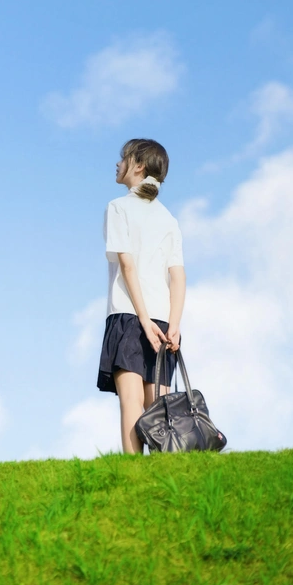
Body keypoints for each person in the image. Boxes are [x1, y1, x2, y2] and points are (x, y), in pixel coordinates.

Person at [97, 138, 186, 455]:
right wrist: (174, 326)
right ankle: (162, 467)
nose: (117, 164)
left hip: (128, 314)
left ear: (138, 166)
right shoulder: (169, 219)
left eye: (123, 158)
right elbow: (178, 276)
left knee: (131, 400)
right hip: (163, 320)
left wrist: (143, 320)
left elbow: (127, 265)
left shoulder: (118, 208)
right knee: (159, 404)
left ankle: (134, 470)